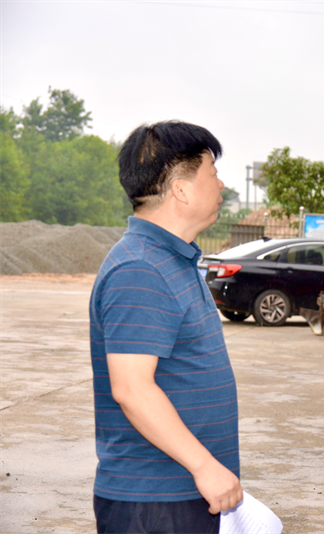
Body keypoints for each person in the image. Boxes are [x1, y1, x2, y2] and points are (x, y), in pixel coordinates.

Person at [90, 121, 243, 533]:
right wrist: (205, 466)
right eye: (212, 172)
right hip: (154, 503)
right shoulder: (140, 268)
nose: (221, 183)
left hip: (181, 494)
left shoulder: (172, 259)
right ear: (181, 190)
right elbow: (132, 388)